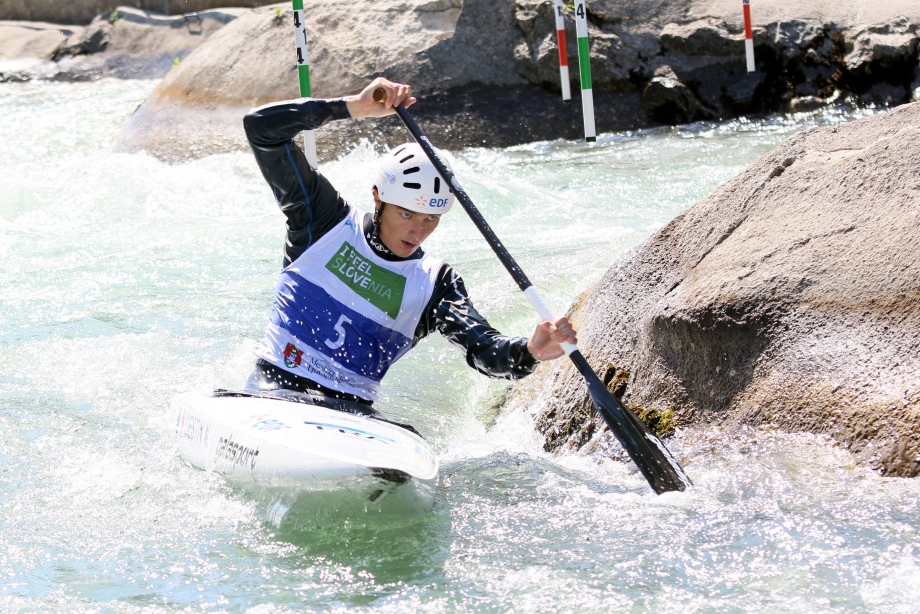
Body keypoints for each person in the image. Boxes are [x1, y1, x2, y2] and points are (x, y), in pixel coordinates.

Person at [241, 77, 577, 406]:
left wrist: (529, 351)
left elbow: (484, 350)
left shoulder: (435, 284)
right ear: (378, 198)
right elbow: (260, 128)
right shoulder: (323, 221)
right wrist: (352, 107)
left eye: (431, 218)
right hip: (273, 389)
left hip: (351, 412)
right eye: (406, 215)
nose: (418, 231)